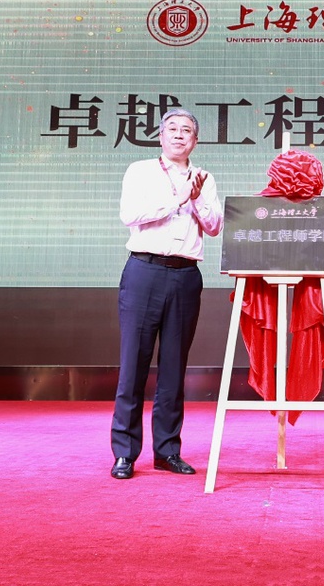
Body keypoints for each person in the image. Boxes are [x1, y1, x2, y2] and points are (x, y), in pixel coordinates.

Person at [110, 107, 223, 480]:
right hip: (144, 270)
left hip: (185, 275)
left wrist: (196, 198)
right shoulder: (140, 171)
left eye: (186, 130)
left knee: (174, 368)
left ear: (195, 140)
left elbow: (215, 226)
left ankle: (168, 450)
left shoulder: (204, 178)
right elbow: (131, 215)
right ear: (160, 136)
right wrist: (178, 199)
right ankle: (125, 453)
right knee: (134, 365)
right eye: (172, 128)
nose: (178, 135)